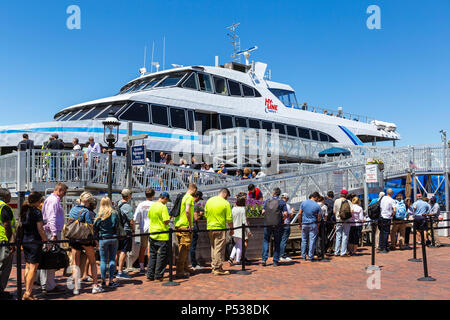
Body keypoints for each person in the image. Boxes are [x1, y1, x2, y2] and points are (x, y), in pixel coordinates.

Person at [68, 192, 103, 294]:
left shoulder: (73, 209)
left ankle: (75, 288)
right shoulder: (87, 211)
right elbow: (90, 227)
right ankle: (95, 286)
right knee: (92, 261)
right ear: (87, 201)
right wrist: (96, 241)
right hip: (85, 239)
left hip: (74, 238)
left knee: (76, 264)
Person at [39, 182, 68, 294]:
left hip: (49, 231)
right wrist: (54, 234)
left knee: (47, 257)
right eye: (64, 192)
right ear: (59, 190)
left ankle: (45, 284)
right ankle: (49, 286)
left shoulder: (51, 199)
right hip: (51, 232)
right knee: (51, 258)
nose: (64, 195)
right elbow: (52, 217)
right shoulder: (53, 200)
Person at [20, 192, 46, 300]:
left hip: (25, 240)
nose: (41, 202)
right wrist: (45, 239)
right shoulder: (36, 212)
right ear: (37, 201)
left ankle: (28, 291)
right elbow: (40, 228)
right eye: (40, 200)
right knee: (33, 268)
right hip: (35, 241)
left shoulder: (24, 210)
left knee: (27, 266)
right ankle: (27, 292)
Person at [204, 188, 234, 275]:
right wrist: (231, 229)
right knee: (219, 248)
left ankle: (214, 266)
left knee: (213, 247)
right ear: (225, 194)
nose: (227, 198)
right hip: (220, 228)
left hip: (210, 227)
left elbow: (206, 214)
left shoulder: (209, 201)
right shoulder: (225, 203)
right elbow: (229, 219)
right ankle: (217, 268)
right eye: (227, 197)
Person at [93, 197, 120, 288]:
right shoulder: (114, 213)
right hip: (113, 238)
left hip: (103, 238)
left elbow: (95, 228)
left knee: (103, 260)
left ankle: (103, 281)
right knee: (112, 259)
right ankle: (111, 281)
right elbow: (117, 225)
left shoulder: (99, 214)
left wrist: (96, 239)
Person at [146, 192, 171, 281]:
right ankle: (158, 276)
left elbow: (149, 216)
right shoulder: (163, 207)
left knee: (153, 255)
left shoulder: (152, 205)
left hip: (152, 232)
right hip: (162, 235)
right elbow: (166, 221)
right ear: (164, 198)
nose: (167, 202)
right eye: (167, 200)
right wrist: (170, 217)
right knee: (161, 256)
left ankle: (150, 275)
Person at [174, 184, 197, 279]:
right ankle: (180, 271)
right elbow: (187, 210)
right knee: (184, 249)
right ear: (194, 190)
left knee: (182, 248)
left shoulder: (182, 197)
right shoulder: (189, 198)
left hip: (178, 225)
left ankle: (185, 268)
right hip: (185, 226)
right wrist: (190, 224)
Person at [261, 187, 287, 267]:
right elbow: (285, 214)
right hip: (277, 225)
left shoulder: (267, 201)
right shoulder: (282, 202)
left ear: (273, 193)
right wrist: (281, 218)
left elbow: (263, 212)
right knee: (277, 242)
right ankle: (275, 261)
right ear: (279, 194)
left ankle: (264, 259)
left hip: (267, 224)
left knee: (266, 240)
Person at [133, 188, 155, 274]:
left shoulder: (141, 205)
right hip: (153, 228)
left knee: (142, 248)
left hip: (143, 228)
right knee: (151, 249)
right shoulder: (155, 204)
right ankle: (150, 268)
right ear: (153, 195)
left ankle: (142, 268)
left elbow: (135, 218)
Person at [0, 189, 17, 300]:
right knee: (3, 267)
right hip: (3, 241)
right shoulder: (4, 207)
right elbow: (7, 225)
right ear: (5, 196)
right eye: (10, 195)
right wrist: (11, 240)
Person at [116, 189, 135, 279]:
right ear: (128, 196)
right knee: (124, 251)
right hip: (126, 231)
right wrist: (133, 229)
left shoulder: (117, 203)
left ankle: (115, 270)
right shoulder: (127, 206)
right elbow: (131, 220)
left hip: (118, 231)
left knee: (118, 251)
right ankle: (120, 271)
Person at [229, 193, 251, 265]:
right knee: (240, 246)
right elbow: (244, 221)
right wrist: (248, 231)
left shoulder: (233, 209)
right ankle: (237, 261)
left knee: (237, 244)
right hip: (240, 230)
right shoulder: (242, 209)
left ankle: (231, 258)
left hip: (234, 229)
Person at [298, 193, 321, 261]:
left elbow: (299, 214)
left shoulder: (303, 203)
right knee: (312, 240)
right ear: (316, 197)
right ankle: (310, 256)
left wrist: (300, 223)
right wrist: (318, 226)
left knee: (304, 240)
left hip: (304, 223)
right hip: (313, 224)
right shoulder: (317, 205)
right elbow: (319, 217)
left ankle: (303, 256)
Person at [333, 189, 352, 257]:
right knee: (345, 236)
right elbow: (352, 211)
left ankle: (336, 251)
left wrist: (339, 215)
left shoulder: (336, 201)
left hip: (338, 220)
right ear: (346, 195)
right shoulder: (349, 202)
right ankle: (343, 252)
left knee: (338, 236)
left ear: (340, 194)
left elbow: (334, 211)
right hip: (347, 221)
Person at [378, 189, 396, 253]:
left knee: (381, 232)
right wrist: (392, 215)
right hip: (387, 218)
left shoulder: (382, 198)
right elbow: (394, 210)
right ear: (392, 193)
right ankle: (385, 248)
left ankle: (380, 246)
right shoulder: (392, 200)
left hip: (380, 217)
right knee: (386, 233)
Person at [190, 191, 204, 270]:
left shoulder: (187, 202)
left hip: (186, 226)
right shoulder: (195, 204)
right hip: (193, 226)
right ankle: (193, 264)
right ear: (197, 196)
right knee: (192, 246)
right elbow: (195, 218)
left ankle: (189, 263)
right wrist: (200, 215)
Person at [279, 193, 294, 262]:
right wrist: (292, 212)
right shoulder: (287, 205)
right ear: (287, 198)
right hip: (286, 224)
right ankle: (282, 255)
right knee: (284, 240)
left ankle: (279, 254)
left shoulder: (278, 204)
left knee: (279, 240)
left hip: (279, 224)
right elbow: (289, 215)